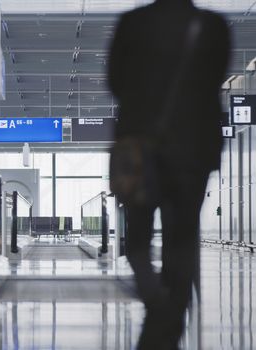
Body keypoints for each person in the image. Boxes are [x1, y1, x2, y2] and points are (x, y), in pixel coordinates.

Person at [108, 1, 230, 349]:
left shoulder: (132, 22)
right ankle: (173, 312)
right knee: (182, 237)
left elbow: (115, 82)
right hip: (194, 149)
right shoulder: (212, 24)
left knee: (138, 240)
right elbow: (214, 79)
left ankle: (157, 306)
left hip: (141, 150)